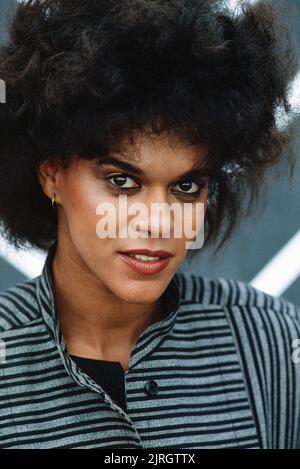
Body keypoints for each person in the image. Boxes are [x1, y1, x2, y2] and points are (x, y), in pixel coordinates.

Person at [0, 0, 299, 449]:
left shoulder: (272, 342)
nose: (160, 222)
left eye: (186, 187)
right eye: (122, 181)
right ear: (51, 175)